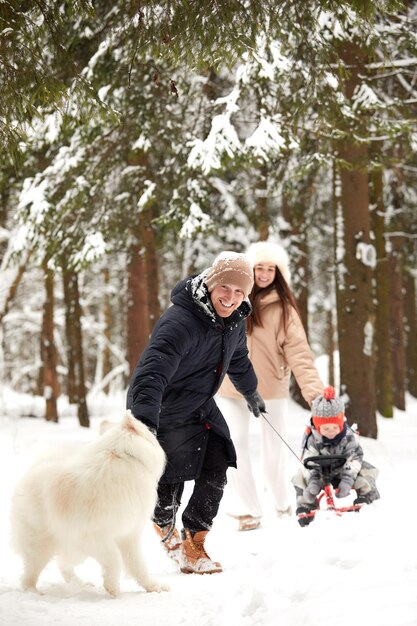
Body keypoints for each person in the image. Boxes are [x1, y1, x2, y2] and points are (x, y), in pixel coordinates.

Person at [126, 251, 266, 574]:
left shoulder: (234, 321)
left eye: (239, 292)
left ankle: (194, 541)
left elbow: (239, 359)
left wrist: (251, 391)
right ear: (211, 283)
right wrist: (144, 422)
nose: (230, 298)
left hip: (201, 405)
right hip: (165, 409)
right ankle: (163, 521)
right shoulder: (181, 322)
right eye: (225, 289)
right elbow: (151, 374)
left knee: (218, 460)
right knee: (168, 483)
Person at [216, 240, 324, 531]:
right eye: (259, 267)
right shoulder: (236, 298)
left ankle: (281, 502)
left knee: (272, 450)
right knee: (234, 442)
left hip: (271, 386)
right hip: (231, 387)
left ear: (279, 272)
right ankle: (249, 509)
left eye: (270, 269)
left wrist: (314, 393)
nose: (264, 274)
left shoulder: (285, 308)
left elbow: (299, 352)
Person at [292, 386, 380, 526]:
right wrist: (314, 481)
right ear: (318, 426)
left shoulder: (348, 437)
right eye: (326, 429)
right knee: (299, 477)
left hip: (344, 470)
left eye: (335, 427)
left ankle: (367, 496)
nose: (331, 432)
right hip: (320, 473)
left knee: (366, 469)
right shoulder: (312, 439)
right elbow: (308, 462)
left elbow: (354, 458)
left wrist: (347, 480)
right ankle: (306, 506)